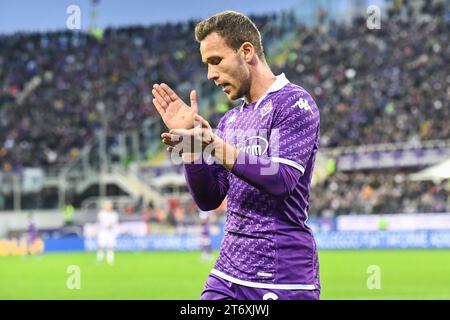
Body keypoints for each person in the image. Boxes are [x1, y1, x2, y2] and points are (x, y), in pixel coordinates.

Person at [152, 11, 320, 300]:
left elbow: (281, 179)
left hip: (281, 277)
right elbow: (209, 199)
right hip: (227, 273)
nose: (210, 75)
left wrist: (215, 145)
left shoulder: (294, 103)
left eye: (216, 61)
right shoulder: (230, 121)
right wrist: (192, 151)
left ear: (246, 52)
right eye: (206, 65)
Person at [96, 200, 119, 265]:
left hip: (111, 232)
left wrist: (110, 225)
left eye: (109, 205)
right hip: (103, 232)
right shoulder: (101, 213)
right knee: (101, 246)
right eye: (107, 205)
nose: (108, 206)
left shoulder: (114, 214)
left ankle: (110, 260)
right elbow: (99, 221)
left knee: (111, 246)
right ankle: (99, 259)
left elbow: (115, 222)